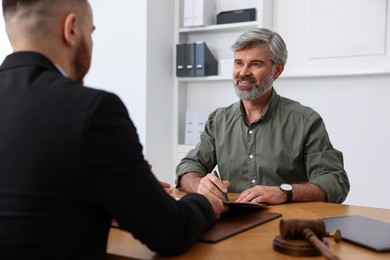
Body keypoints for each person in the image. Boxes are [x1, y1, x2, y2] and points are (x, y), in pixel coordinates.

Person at [0, 0, 227, 259]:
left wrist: (117, 194)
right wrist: (204, 203)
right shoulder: (92, 110)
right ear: (71, 29)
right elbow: (170, 232)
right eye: (91, 31)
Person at [176, 28, 350, 205]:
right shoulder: (218, 120)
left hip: (287, 224)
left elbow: (336, 181)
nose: (243, 72)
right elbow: (188, 167)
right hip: (233, 221)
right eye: (238, 63)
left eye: (255, 64)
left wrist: (285, 192)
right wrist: (199, 185)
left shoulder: (305, 120)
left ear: (277, 70)